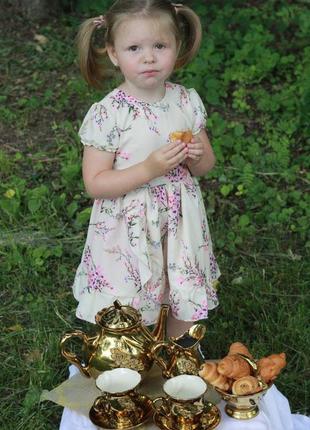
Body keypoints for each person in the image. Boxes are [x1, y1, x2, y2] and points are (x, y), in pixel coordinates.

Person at [72, 0, 220, 340]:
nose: (148, 57)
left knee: (179, 283)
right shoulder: (109, 113)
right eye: (134, 48)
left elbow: (206, 166)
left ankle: (175, 353)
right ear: (113, 53)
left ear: (177, 48)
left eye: (160, 46)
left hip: (179, 221)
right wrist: (150, 167)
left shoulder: (185, 101)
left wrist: (195, 156)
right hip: (129, 227)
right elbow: (95, 183)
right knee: (134, 294)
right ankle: (133, 356)